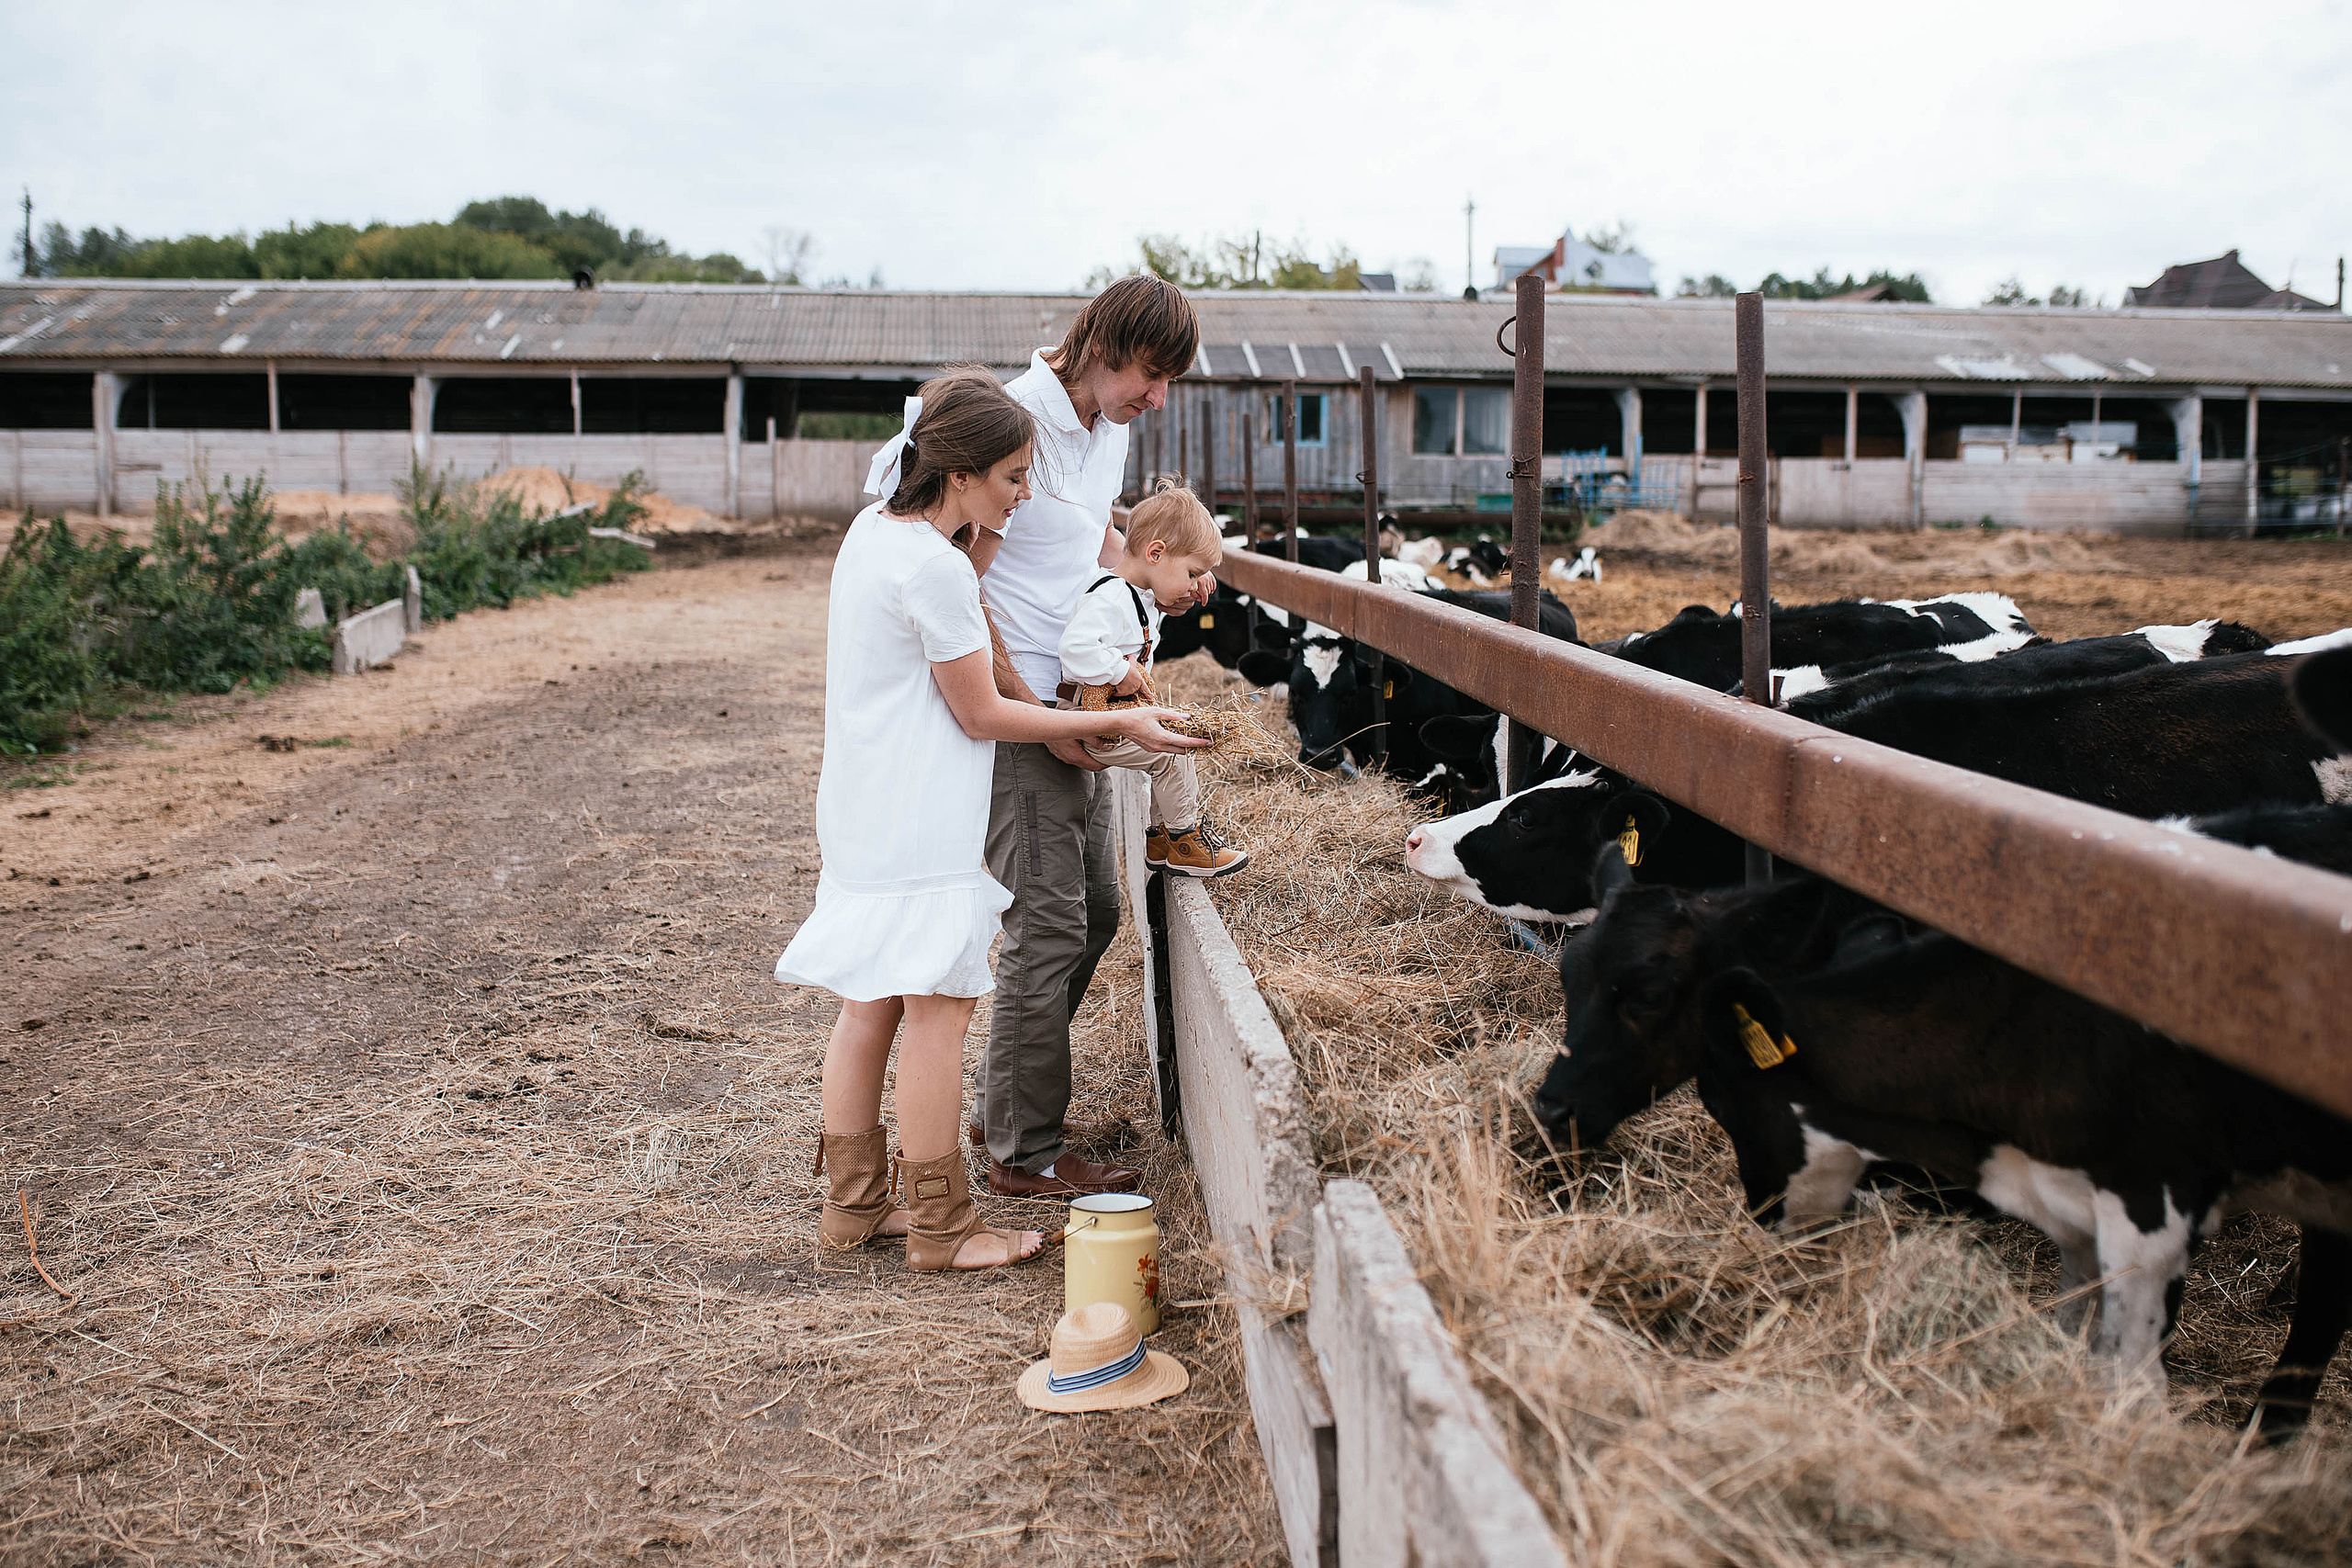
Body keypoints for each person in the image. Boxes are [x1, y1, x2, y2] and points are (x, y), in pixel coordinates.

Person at [777, 367, 1200, 1272]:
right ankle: (943, 1228)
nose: (1024, 494)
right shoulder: (932, 568)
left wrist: (982, 547)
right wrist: (1114, 720)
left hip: (863, 803)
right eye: (1012, 477)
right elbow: (985, 714)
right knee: (939, 1010)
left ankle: (854, 1209)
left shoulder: (875, 535)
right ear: (962, 474)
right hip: (923, 812)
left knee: (872, 1004)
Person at [968, 276, 1205, 1200]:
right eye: (1150, 373)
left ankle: (1008, 1106)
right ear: (1102, 345)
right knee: (1050, 921)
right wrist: (1034, 707)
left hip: (1075, 698)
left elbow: (1085, 543)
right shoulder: (1013, 422)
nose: (1157, 397)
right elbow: (965, 583)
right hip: (1018, 705)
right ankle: (1021, 1151)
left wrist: (1140, 605)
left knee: (1098, 911)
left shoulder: (1106, 431)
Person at [1055, 479, 1247, 878]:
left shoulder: (1138, 596)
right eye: (1192, 572)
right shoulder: (1110, 598)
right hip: (1088, 714)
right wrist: (1121, 671)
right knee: (1169, 751)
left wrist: (1191, 579)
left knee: (1173, 743)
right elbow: (1075, 648)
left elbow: (1160, 602)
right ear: (1156, 553)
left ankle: (1163, 838)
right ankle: (1185, 837)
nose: (1194, 586)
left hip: (1111, 709)